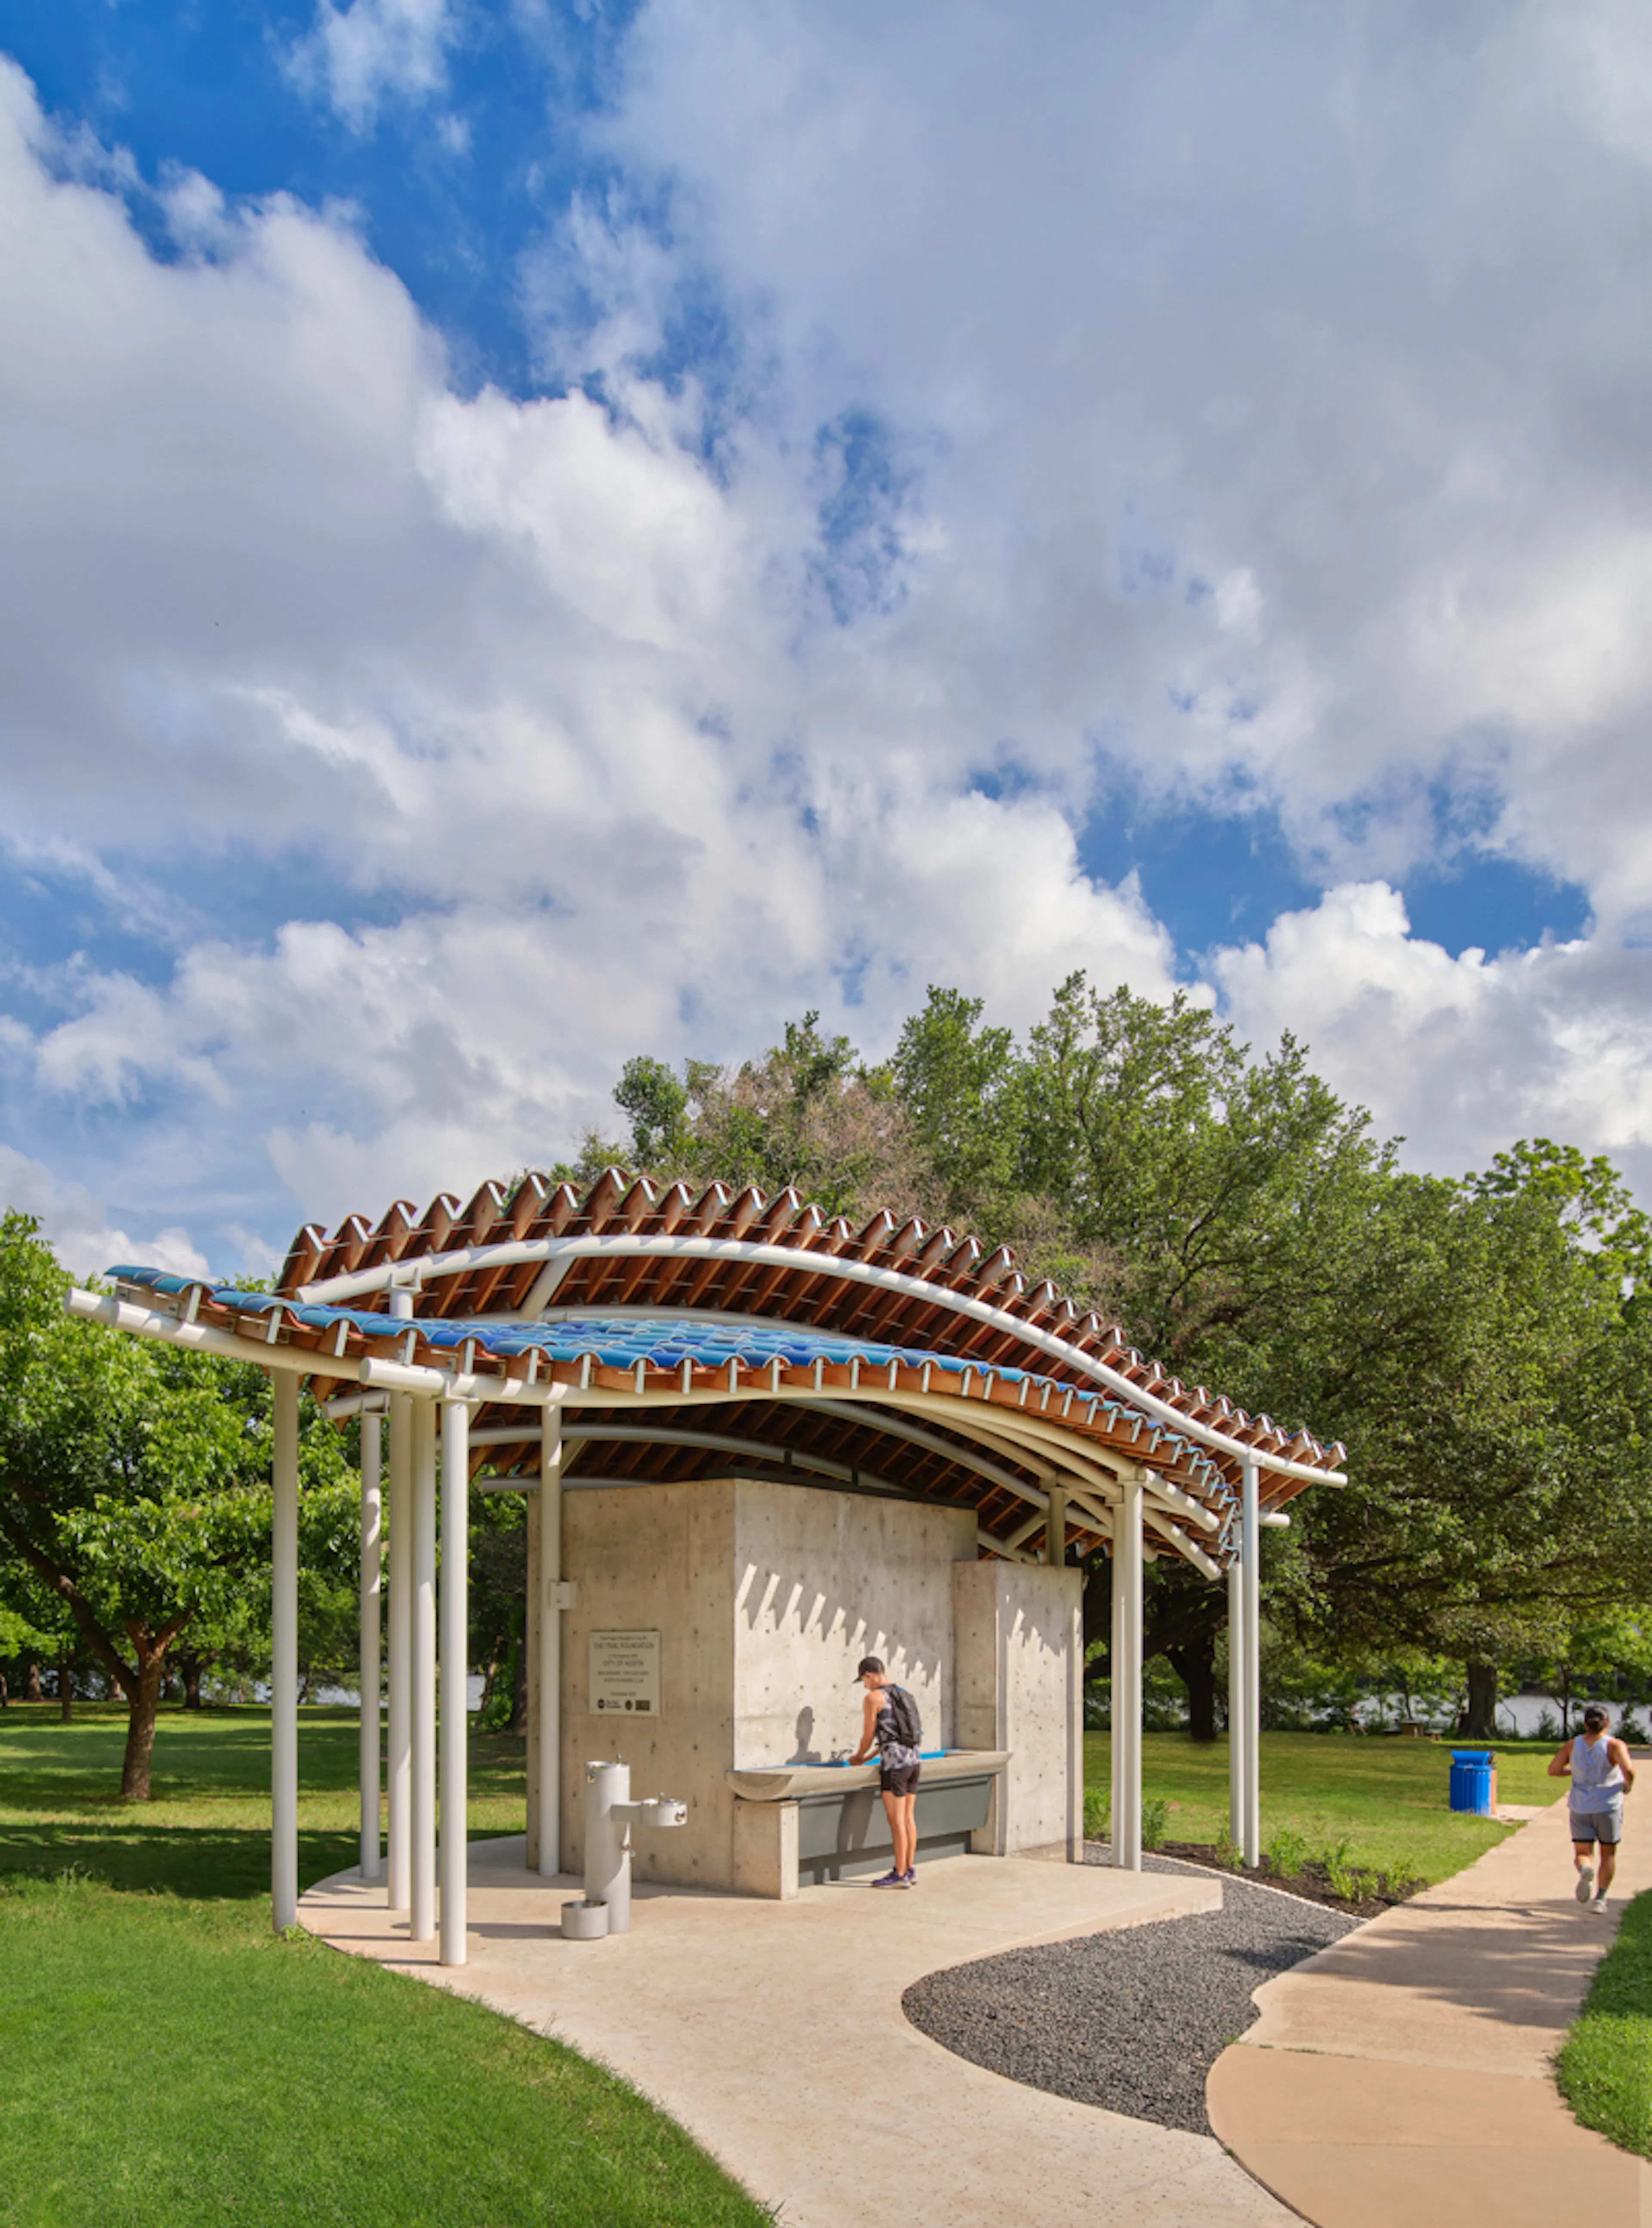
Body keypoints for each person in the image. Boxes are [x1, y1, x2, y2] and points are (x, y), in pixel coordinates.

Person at [1549, 1704, 1635, 1912]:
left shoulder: (1572, 1745)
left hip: (1580, 1806)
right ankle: (1601, 1899)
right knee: (1608, 1853)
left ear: (1585, 1724)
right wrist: (1627, 1785)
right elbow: (1629, 1770)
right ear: (1607, 1724)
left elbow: (1553, 1770)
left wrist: (1574, 1773)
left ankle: (1585, 1869)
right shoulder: (1614, 1746)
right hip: (1608, 1806)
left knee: (1582, 1851)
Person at [849, 1656, 920, 1889]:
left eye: (863, 1680)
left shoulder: (873, 1698)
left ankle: (899, 1875)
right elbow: (892, 1736)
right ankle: (909, 1869)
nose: (864, 1685)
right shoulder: (904, 1695)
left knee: (896, 1820)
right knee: (908, 1819)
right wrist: (868, 1758)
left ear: (869, 1675)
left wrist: (859, 1756)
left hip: (895, 1767)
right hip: (913, 1762)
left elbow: (869, 1737)